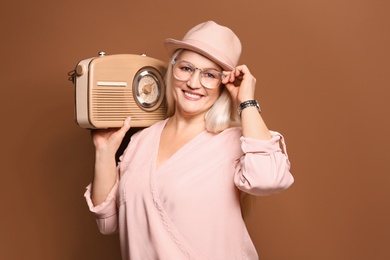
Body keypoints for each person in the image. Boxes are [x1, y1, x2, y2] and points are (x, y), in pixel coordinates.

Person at [84, 20, 294, 260]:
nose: (194, 83)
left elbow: (269, 180)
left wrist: (245, 101)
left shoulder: (235, 142)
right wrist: (103, 151)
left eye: (209, 75)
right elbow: (107, 222)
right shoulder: (141, 140)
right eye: (186, 68)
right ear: (172, 69)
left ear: (225, 84)